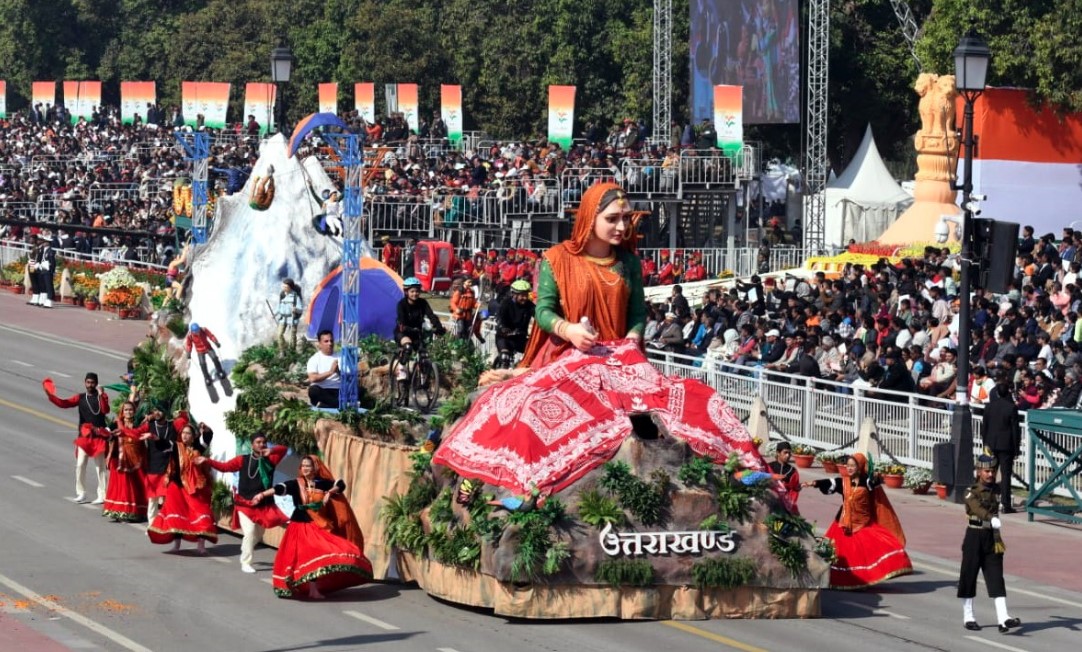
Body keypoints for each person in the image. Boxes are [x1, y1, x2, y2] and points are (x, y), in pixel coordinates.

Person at [433, 181, 765, 498]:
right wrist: (571, 331)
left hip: (622, 359)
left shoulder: (629, 262)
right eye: (612, 219)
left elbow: (636, 313)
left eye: (626, 218)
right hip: (570, 352)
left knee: (697, 399)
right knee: (530, 412)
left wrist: (633, 340)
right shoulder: (557, 260)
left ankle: (735, 465)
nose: (622, 227)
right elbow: (544, 312)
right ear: (590, 218)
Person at [804, 453, 913, 589]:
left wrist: (877, 478)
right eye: (847, 465)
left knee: (865, 554)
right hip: (843, 524)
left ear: (859, 467)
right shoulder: (844, 482)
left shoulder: (867, 482)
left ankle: (862, 579)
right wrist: (814, 483)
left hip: (863, 524)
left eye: (852, 466)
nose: (849, 468)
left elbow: (876, 485)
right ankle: (837, 580)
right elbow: (830, 483)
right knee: (838, 556)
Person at [270, 455, 372, 599]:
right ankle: (300, 586)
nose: (305, 468)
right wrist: (262, 494)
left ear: (315, 468)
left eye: (308, 466)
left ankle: (313, 589)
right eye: (303, 466)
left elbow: (340, 484)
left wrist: (329, 493)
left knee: (325, 553)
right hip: (299, 526)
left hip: (318, 525)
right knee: (298, 558)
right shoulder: (296, 483)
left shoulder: (322, 484)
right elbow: (280, 488)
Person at [201, 434, 289, 573]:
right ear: (252, 445)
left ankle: (245, 548)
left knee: (258, 535)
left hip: (262, 505)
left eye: (264, 442)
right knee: (249, 532)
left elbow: (283, 449)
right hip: (244, 503)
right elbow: (224, 467)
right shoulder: (242, 460)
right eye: (258, 442)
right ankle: (246, 562)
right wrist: (207, 460)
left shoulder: (271, 459)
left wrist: (271, 451)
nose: (261, 445)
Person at [959, 453, 1021, 633]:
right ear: (979, 472)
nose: (990, 474)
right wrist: (990, 518)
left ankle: (1003, 618)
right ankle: (968, 616)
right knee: (969, 576)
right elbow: (977, 508)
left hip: (992, 537)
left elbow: (1006, 483)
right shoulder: (971, 491)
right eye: (986, 471)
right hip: (975, 535)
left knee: (996, 576)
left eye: (993, 471)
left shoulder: (996, 489)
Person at [148, 423, 217, 554]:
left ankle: (201, 545)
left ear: (193, 436)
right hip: (177, 486)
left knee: (201, 513)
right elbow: (164, 444)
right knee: (177, 515)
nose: (185, 435)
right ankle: (177, 545)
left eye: (188, 433)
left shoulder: (198, 447)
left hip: (195, 487)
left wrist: (206, 429)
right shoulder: (176, 447)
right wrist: (155, 437)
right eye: (183, 433)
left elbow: (208, 436)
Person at [42, 373, 110, 504]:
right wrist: (50, 396)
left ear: (96, 383)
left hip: (99, 437)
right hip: (84, 437)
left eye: (92, 383)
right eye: (88, 382)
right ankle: (81, 493)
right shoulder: (80, 397)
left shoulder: (102, 396)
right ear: (84, 383)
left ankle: (102, 494)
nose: (90, 385)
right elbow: (64, 404)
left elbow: (105, 410)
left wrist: (101, 395)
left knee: (100, 467)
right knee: (80, 465)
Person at [123, 407, 189, 524]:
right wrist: (120, 426)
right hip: (154, 466)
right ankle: (152, 524)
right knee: (152, 498)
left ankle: (168, 523)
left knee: (169, 498)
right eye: (154, 411)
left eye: (160, 410)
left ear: (165, 411)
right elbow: (135, 433)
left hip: (170, 467)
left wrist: (181, 412)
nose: (157, 413)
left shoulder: (173, 424)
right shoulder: (149, 426)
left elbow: (185, 421)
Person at [103, 401, 148, 522]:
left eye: (130, 410)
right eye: (126, 410)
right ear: (122, 412)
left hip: (136, 459)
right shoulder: (116, 423)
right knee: (121, 485)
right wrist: (100, 432)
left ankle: (134, 512)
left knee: (135, 485)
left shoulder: (139, 423)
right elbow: (107, 434)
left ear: (134, 411)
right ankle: (119, 511)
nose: (128, 412)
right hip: (119, 459)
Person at [981, 382, 1022, 513]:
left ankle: (987, 501)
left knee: (989, 473)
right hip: (1006, 446)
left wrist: (985, 444)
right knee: (1005, 476)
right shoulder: (1011, 408)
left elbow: (984, 427)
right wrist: (1017, 448)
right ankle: (1006, 504)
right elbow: (1015, 430)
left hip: (991, 444)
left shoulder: (989, 407)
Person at [494, 279, 535, 369]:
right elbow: (500, 317)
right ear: (514, 294)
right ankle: (500, 376)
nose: (525, 298)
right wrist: (503, 327)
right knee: (505, 357)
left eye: (526, 295)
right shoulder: (506, 303)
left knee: (534, 354)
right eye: (522, 295)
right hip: (505, 337)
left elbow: (538, 315)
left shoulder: (529, 305)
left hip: (520, 337)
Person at [306, 329, 340, 409]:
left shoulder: (341, 356)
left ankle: (327, 405)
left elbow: (348, 378)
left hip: (338, 389)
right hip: (323, 390)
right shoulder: (314, 359)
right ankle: (338, 405)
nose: (330, 343)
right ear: (320, 344)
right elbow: (312, 378)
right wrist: (330, 372)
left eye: (331, 341)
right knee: (313, 391)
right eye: (326, 341)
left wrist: (339, 371)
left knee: (359, 390)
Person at [768, 442, 801, 514]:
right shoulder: (769, 467)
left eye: (789, 453)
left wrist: (789, 503)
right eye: (785, 452)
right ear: (778, 453)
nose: (788, 455)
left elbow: (794, 490)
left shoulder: (792, 471)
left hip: (785, 505)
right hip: (769, 500)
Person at [28, 231, 56, 308]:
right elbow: (37, 258)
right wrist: (36, 264)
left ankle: (48, 299)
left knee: (47, 285)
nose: (42, 242)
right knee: (40, 283)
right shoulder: (40, 249)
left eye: (44, 241)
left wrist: (52, 270)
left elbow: (52, 262)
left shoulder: (49, 251)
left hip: (46, 269)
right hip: (39, 267)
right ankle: (40, 298)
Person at [274, 279, 304, 351]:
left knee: (292, 336)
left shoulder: (295, 297)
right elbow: (279, 306)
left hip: (292, 318)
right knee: (279, 334)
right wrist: (275, 313)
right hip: (283, 318)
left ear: (290, 287)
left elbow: (300, 309)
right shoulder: (282, 295)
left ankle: (292, 351)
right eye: (283, 286)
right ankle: (282, 349)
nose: (284, 288)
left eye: (286, 287)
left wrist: (296, 309)